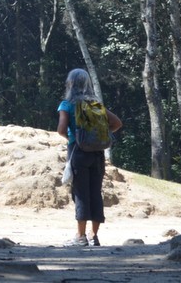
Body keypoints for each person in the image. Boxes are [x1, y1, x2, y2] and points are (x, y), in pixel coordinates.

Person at [57, 68, 123, 247]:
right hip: (98, 154)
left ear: (70, 84)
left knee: (80, 193)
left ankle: (80, 236)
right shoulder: (96, 105)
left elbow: (61, 129)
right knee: (95, 192)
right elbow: (117, 123)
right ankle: (94, 236)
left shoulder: (67, 105)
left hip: (78, 152)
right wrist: (98, 136)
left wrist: (75, 138)